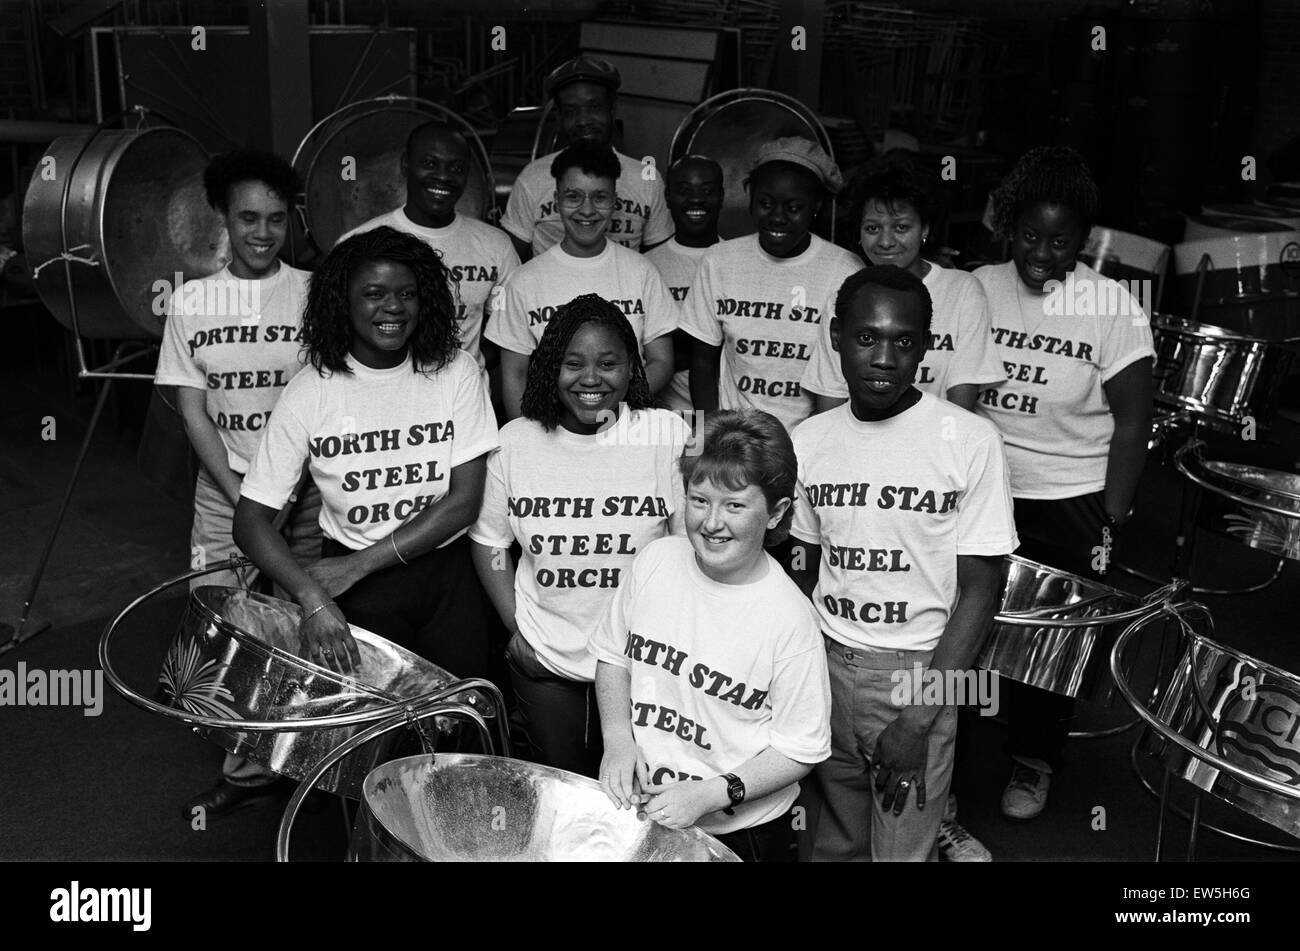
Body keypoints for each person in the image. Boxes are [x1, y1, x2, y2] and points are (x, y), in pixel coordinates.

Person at [787, 266, 1018, 862]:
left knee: (902, 849)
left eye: (903, 341)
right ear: (836, 336)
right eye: (867, 338)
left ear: (925, 347)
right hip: (827, 665)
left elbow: (980, 593)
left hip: (920, 675)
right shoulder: (808, 441)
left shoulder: (969, 440)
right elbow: (803, 569)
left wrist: (920, 717)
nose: (884, 358)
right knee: (833, 841)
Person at [973, 146, 1154, 821]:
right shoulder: (977, 287)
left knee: (1050, 642)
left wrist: (1109, 518)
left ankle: (1033, 758)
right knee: (965, 622)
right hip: (983, 486)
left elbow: (1134, 424)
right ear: (1008, 226)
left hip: (1070, 493)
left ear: (1084, 240)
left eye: (1060, 240)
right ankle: (955, 743)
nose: (1041, 253)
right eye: (1029, 235)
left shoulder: (1113, 308)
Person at [234, 226, 499, 684]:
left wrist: (358, 565)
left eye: (406, 294)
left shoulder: (455, 371)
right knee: (370, 731)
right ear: (344, 301)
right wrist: (311, 596)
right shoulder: (311, 391)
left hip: (446, 576)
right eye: (373, 294)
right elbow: (250, 520)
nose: (393, 307)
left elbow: (464, 503)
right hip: (355, 588)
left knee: (461, 720)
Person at [154, 149, 320, 817]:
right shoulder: (192, 302)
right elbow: (191, 410)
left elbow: (330, 399)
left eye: (276, 220)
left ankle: (288, 761)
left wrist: (289, 492)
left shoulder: (313, 293)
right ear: (222, 216)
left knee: (305, 632)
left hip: (307, 496)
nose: (262, 232)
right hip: (225, 495)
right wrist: (243, 498)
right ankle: (242, 759)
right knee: (226, 630)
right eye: (248, 217)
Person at [591, 409, 831, 863]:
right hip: (642, 809)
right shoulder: (656, 561)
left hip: (742, 834)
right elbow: (612, 657)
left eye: (735, 505)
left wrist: (712, 794)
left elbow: (802, 749)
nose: (712, 522)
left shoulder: (790, 621)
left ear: (777, 511)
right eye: (699, 500)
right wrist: (618, 738)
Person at [470, 294, 690, 777]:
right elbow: (489, 543)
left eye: (608, 363)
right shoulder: (516, 442)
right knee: (561, 802)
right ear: (550, 367)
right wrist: (517, 628)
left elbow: (686, 546)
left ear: (632, 367)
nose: (591, 379)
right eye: (574, 364)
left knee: (640, 806)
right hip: (548, 666)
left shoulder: (664, 434)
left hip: (647, 667)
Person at [680, 137, 861, 433]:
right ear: (750, 196)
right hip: (734, 440)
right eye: (765, 204)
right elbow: (702, 364)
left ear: (815, 206)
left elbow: (843, 375)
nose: (777, 217)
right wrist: (709, 434)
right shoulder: (720, 261)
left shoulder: (843, 270)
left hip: (808, 441)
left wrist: (819, 448)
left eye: (794, 207)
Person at [488, 142, 675, 420]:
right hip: (551, 432)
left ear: (614, 201)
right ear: (557, 199)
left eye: (599, 197)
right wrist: (527, 439)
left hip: (627, 426)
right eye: (573, 196)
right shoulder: (525, 281)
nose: (586, 210)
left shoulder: (642, 272)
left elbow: (661, 360)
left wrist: (605, 402)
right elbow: (514, 374)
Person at [802, 157, 1004, 413]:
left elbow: (961, 406)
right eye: (873, 228)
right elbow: (830, 401)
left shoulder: (962, 290)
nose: (886, 241)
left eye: (901, 227)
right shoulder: (845, 297)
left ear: (925, 229)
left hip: (937, 445)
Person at [336, 120, 519, 379]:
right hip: (382, 400)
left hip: (465, 405)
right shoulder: (359, 244)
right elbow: (337, 331)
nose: (443, 176)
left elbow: (508, 334)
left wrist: (454, 367)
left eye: (456, 167)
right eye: (430, 164)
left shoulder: (495, 246)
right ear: (405, 165)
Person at [500, 54, 673, 261]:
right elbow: (509, 261)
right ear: (561, 118)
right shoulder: (533, 178)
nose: (583, 121)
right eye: (571, 111)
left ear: (612, 109)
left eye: (594, 108)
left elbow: (661, 260)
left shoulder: (647, 178)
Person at [645, 154, 724, 416]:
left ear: (722, 195)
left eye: (707, 190)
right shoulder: (645, 266)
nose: (696, 199)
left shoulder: (736, 261)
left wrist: (677, 344)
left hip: (726, 415)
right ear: (667, 196)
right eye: (684, 190)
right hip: (662, 415)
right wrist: (710, 345)